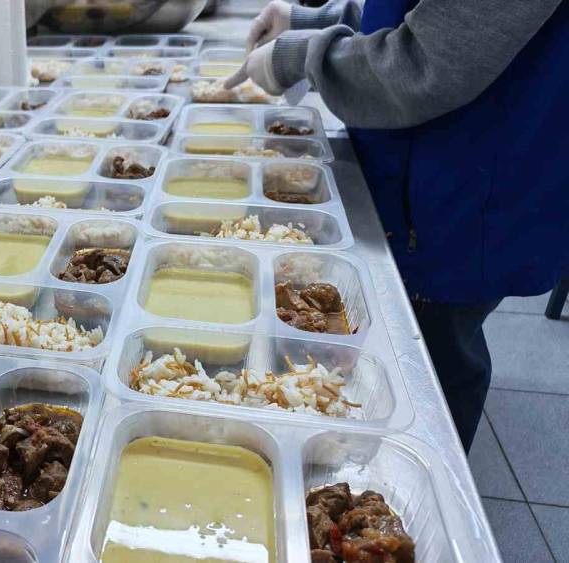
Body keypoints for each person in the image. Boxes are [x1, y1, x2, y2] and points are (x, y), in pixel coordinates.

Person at [225, 0, 569, 451]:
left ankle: (423, 476)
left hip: (459, 197)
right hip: (431, 183)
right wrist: (321, 19)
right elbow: (428, 14)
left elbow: (428, 61)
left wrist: (297, 57)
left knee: (431, 364)